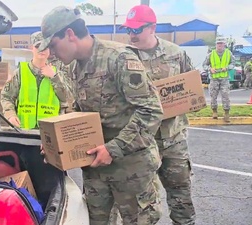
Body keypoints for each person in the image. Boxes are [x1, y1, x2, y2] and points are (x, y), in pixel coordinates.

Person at [38, 6, 164, 225]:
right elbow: (81, 113)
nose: (52, 53)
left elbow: (150, 110)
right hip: (96, 169)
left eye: (53, 45)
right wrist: (58, 144)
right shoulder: (75, 67)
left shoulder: (119, 58)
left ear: (70, 34)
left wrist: (113, 148)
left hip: (131, 170)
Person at [119, 5, 196, 225]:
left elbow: (190, 88)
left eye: (137, 30)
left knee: (181, 194)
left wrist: (189, 102)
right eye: (129, 31)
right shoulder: (123, 57)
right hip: (141, 142)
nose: (132, 35)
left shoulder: (176, 54)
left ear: (152, 28)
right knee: (142, 204)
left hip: (173, 139)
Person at [0, 31, 69, 129]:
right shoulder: (20, 72)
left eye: (45, 47)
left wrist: (54, 77)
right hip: (24, 131)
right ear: (31, 48)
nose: (42, 50)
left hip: (50, 131)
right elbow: (6, 96)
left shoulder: (57, 74)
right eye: (38, 46)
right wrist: (10, 115)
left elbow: (66, 99)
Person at [203, 37, 235, 122]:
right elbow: (204, 65)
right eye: (218, 44)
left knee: (226, 96)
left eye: (221, 44)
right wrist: (210, 69)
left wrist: (227, 67)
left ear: (224, 44)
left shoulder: (229, 53)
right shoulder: (211, 54)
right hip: (214, 79)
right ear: (216, 45)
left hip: (224, 79)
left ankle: (226, 114)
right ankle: (214, 112)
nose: (219, 45)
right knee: (213, 96)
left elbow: (233, 63)